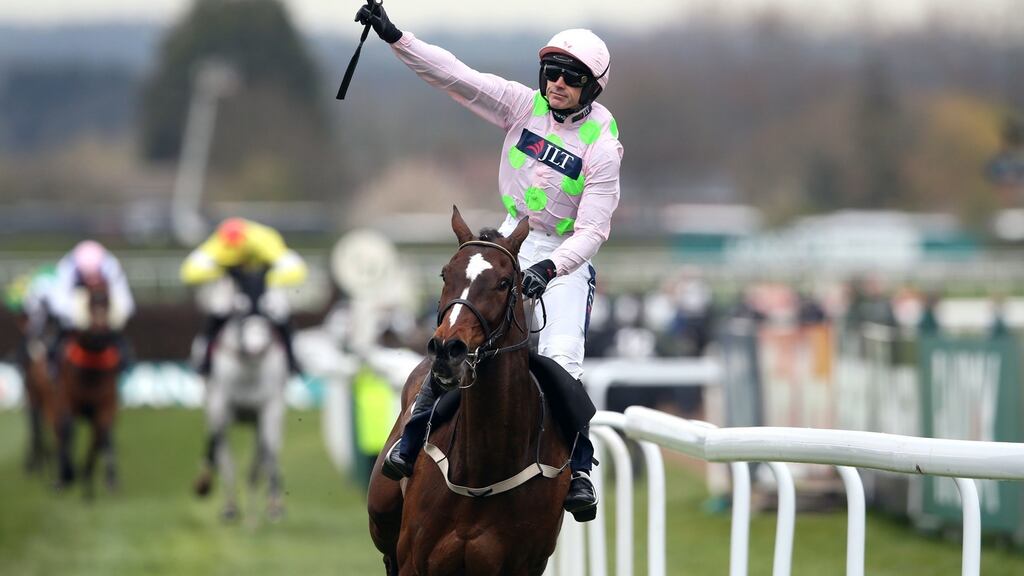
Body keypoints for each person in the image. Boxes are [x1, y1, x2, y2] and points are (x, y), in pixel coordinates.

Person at [356, 5, 623, 522]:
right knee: (460, 327)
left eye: (572, 77)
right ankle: (413, 436)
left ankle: (581, 470)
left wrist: (551, 269)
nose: (558, 83)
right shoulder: (523, 107)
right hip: (508, 238)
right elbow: (456, 76)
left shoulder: (604, 147)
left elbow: (592, 229)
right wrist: (395, 37)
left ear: (592, 87)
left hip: (562, 257)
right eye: (552, 72)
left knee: (564, 357)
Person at [180, 217, 308, 376]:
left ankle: (292, 359)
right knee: (219, 309)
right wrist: (220, 272)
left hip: (264, 284)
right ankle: (203, 359)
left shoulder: (265, 238)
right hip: (234, 284)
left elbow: (296, 269)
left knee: (279, 311)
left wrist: (265, 279)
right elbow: (189, 272)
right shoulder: (218, 242)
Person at [50, 241, 135, 367]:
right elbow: (58, 304)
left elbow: (126, 304)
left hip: (103, 308)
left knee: (122, 346)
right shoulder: (66, 267)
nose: (92, 282)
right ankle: (53, 365)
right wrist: (82, 320)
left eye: (95, 278)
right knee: (55, 346)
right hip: (76, 306)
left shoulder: (111, 265)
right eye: (89, 278)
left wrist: (108, 321)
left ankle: (125, 364)